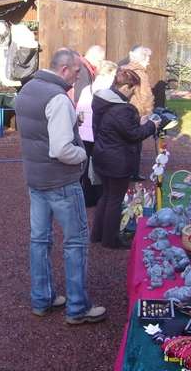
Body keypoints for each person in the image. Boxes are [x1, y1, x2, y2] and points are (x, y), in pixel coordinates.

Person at [15, 48, 106, 325]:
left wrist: (70, 123)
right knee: (75, 243)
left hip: (36, 179)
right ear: (65, 69)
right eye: (78, 72)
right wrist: (83, 156)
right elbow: (61, 149)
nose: (79, 78)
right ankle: (77, 307)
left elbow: (38, 132)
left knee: (39, 240)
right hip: (62, 182)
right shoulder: (58, 98)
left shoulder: (28, 89)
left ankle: (42, 299)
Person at [91, 68, 159, 248]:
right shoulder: (122, 109)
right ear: (126, 87)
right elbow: (134, 135)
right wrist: (152, 125)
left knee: (106, 196)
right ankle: (110, 240)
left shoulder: (101, 100)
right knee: (115, 199)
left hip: (102, 154)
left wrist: (138, 122)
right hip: (117, 160)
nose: (132, 94)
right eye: (133, 90)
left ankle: (97, 234)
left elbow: (115, 128)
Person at [75, 60, 118, 206]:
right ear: (108, 74)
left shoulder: (87, 89)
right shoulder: (109, 92)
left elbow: (79, 111)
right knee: (100, 167)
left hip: (84, 133)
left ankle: (87, 198)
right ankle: (99, 197)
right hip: (99, 133)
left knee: (86, 167)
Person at [120, 45, 155, 181]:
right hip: (137, 113)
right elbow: (146, 96)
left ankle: (127, 172)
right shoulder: (140, 73)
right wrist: (149, 115)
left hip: (124, 112)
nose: (149, 61)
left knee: (125, 144)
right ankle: (132, 174)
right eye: (147, 58)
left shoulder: (124, 70)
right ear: (142, 58)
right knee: (135, 145)